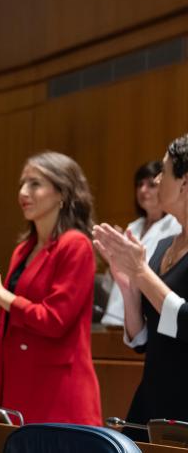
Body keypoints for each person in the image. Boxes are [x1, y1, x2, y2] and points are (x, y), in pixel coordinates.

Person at [0, 151, 101, 425]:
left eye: (35, 184)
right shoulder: (23, 250)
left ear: (62, 192)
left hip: (58, 393)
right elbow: (4, 324)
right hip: (19, 385)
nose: (23, 192)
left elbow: (54, 321)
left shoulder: (76, 245)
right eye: (22, 183)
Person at [93, 134, 188, 440]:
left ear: (185, 182)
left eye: (163, 172)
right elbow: (143, 339)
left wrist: (140, 272)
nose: (157, 180)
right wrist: (128, 287)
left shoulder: (148, 261)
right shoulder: (161, 247)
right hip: (151, 400)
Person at [101, 161, 182, 326]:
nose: (143, 190)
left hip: (149, 318)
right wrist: (111, 260)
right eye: (139, 185)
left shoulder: (176, 226)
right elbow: (114, 282)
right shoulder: (133, 227)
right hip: (114, 318)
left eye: (151, 185)